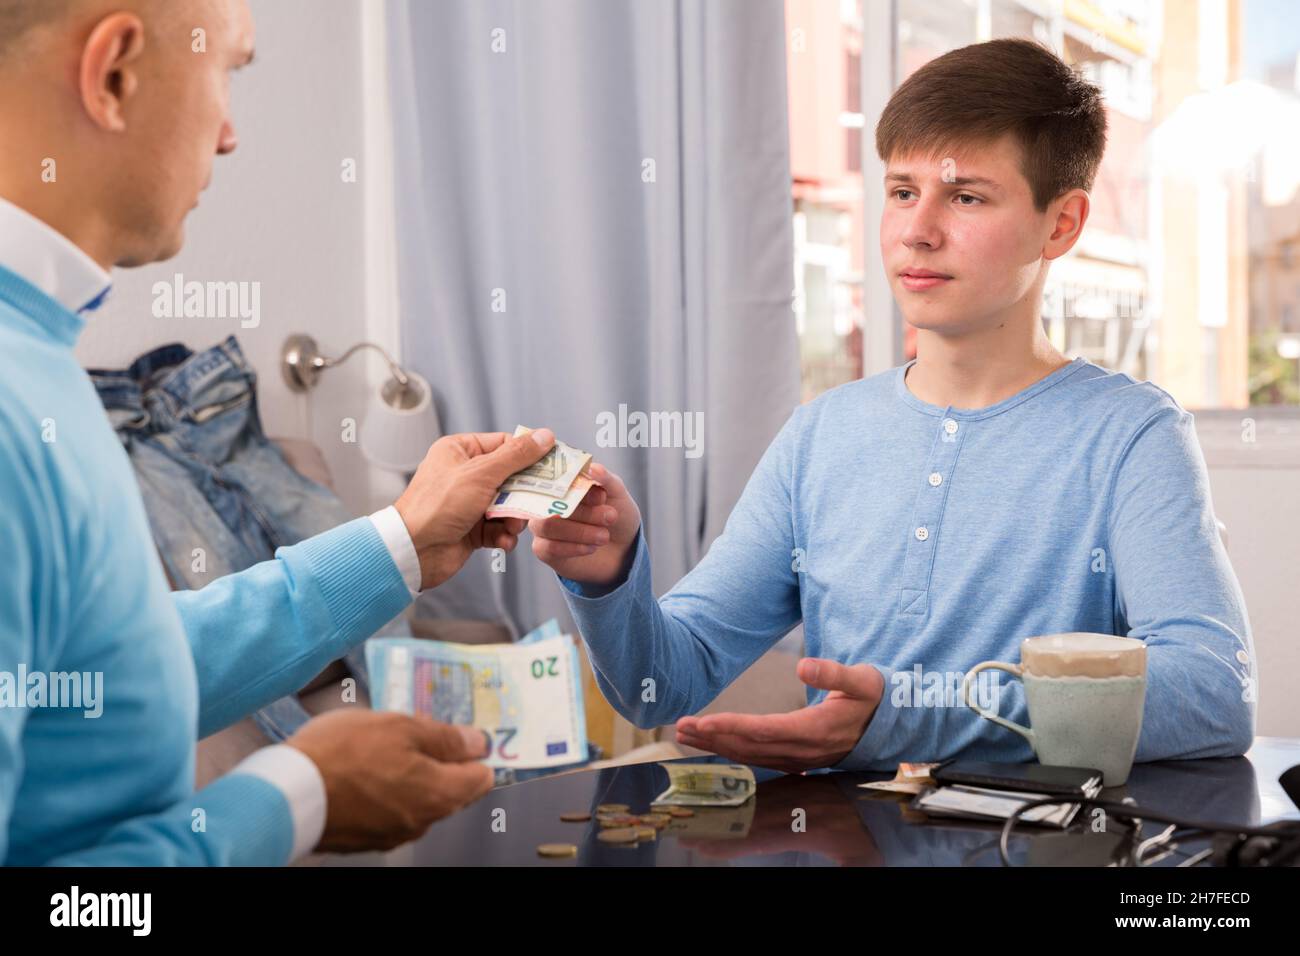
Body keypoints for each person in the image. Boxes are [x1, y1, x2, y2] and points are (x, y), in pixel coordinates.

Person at [530, 38, 1257, 774]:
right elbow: (665, 686)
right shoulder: (822, 433)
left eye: (966, 196)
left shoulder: (1132, 435)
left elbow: (1212, 694)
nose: (918, 229)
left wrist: (912, 717)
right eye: (903, 192)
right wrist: (609, 575)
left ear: (1060, 224)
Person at [0, 0, 549, 865]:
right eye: (229, 70)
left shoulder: (37, 357)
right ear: (114, 73)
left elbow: (114, 676)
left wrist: (404, 541)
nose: (228, 136)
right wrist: (295, 798)